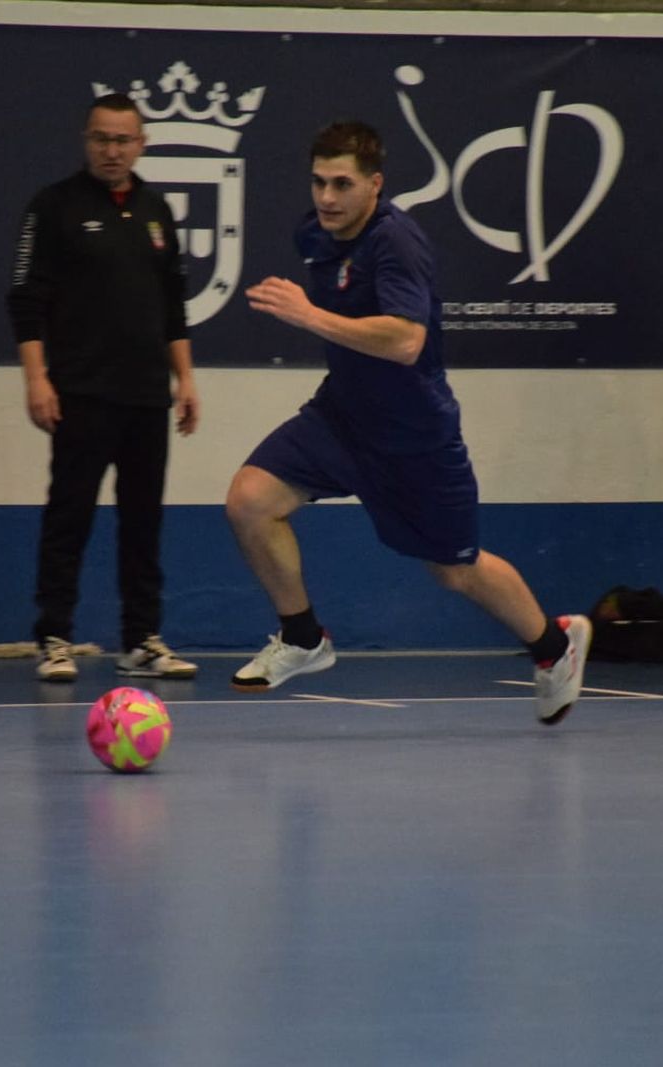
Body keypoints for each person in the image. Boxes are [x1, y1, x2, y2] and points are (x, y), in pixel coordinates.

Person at [224, 121, 591, 724]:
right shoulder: (314, 233)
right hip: (342, 416)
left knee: (455, 571)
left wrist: (309, 315)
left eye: (342, 183)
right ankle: (302, 637)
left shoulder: (397, 242)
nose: (327, 197)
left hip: (414, 438)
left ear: (375, 185)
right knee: (249, 501)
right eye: (318, 182)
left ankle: (555, 649)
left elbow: (405, 341)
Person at [6, 93, 202, 682]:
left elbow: (173, 307)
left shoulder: (156, 209)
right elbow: (26, 300)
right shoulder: (54, 207)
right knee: (70, 517)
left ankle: (142, 640)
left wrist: (186, 379)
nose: (112, 150)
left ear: (141, 144)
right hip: (81, 393)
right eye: (101, 139)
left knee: (143, 522)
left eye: (123, 140)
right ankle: (55, 638)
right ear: (86, 141)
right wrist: (37, 379)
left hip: (147, 396)